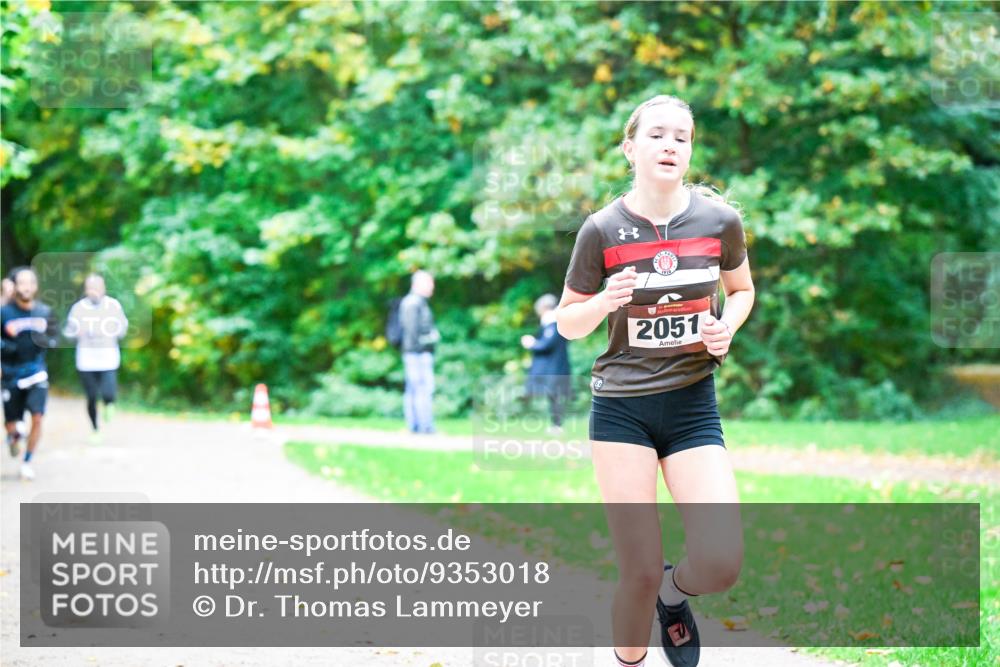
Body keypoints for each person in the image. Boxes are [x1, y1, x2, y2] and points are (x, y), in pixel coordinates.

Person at [556, 95, 755, 667]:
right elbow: (568, 322)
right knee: (637, 572)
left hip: (692, 404)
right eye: (658, 135)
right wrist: (601, 302)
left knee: (721, 561)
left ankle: (677, 595)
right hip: (622, 409)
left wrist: (726, 326)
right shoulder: (602, 229)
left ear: (690, 150)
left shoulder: (720, 220)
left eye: (682, 137)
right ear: (631, 147)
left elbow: (741, 292)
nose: (670, 145)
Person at [1, 267, 60, 480]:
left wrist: (48, 341)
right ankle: (13, 436)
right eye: (22, 282)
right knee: (14, 425)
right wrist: (6, 348)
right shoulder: (4, 313)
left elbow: (55, 338)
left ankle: (27, 461)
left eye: (30, 282)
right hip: (10, 375)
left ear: (36, 287)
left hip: (37, 373)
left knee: (37, 417)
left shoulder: (44, 312)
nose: (26, 287)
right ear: (14, 286)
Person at [63, 273, 128, 443]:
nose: (94, 291)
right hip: (86, 360)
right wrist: (76, 332)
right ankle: (95, 429)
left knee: (108, 393)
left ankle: (109, 404)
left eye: (97, 287)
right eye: (90, 288)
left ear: (104, 288)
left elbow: (123, 329)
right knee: (91, 396)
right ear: (86, 290)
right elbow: (68, 331)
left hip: (108, 358)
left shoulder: (113, 306)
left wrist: (110, 331)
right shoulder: (78, 308)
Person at [520, 293, 571, 434]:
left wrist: (531, 344)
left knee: (554, 396)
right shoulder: (556, 322)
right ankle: (556, 425)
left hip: (554, 367)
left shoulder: (552, 323)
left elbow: (546, 345)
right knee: (553, 396)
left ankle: (557, 425)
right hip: (554, 366)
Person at [399, 270, 439, 435]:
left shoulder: (418, 303)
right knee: (422, 388)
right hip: (417, 354)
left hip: (417, 353)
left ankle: (417, 426)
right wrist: (430, 338)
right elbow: (412, 332)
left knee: (415, 389)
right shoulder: (413, 303)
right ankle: (424, 426)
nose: (432, 287)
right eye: (429, 283)